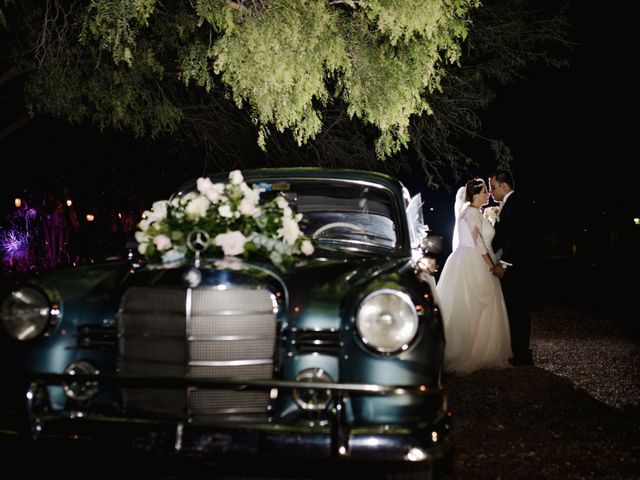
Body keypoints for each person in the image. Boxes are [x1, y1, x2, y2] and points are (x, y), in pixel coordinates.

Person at [436, 178, 511, 375]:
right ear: (476, 194)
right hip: (473, 261)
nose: (488, 194)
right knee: (471, 307)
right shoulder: (470, 213)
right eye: (485, 191)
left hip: (472, 258)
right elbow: (479, 243)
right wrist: (492, 265)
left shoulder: (476, 212)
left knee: (479, 308)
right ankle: (467, 354)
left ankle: (481, 351)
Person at [489, 169, 534, 366]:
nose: (491, 192)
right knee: (515, 309)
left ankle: (522, 354)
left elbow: (516, 236)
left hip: (517, 267)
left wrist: (505, 264)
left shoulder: (515, 203)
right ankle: (518, 350)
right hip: (516, 265)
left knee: (518, 310)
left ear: (504, 185)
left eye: (493, 187)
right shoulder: (509, 203)